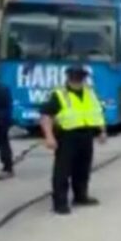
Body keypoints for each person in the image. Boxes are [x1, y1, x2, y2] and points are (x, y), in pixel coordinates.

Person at [39, 66, 106, 215]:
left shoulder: (90, 93)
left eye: (80, 77)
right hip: (67, 136)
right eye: (74, 77)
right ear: (68, 78)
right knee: (63, 170)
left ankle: (81, 196)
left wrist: (101, 131)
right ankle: (60, 203)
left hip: (86, 135)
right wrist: (49, 137)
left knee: (83, 169)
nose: (77, 80)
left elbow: (97, 112)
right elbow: (45, 116)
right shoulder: (59, 94)